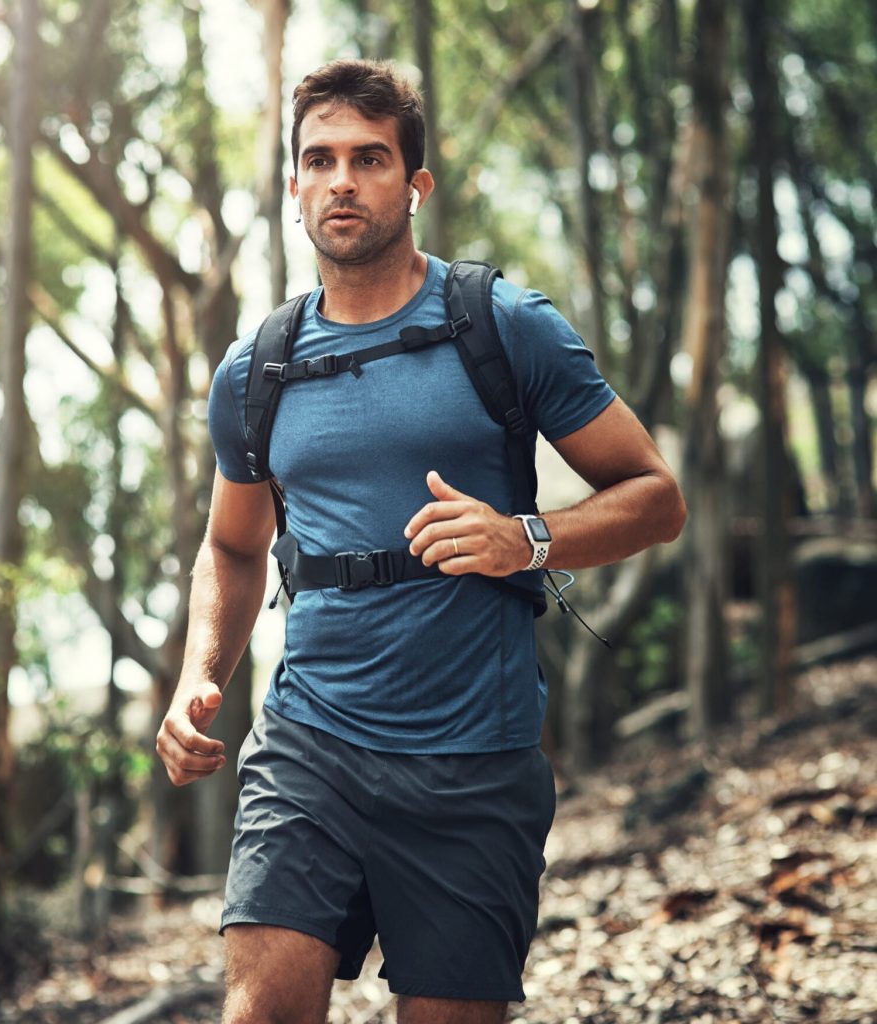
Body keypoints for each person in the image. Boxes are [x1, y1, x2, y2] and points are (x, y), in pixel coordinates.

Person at [156, 58, 686, 1024]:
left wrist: (526, 537)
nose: (342, 181)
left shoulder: (504, 325)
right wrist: (204, 671)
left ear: (416, 185)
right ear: (294, 187)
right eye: (319, 160)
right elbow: (233, 547)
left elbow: (656, 496)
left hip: (474, 762)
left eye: (369, 158)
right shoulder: (256, 371)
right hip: (310, 743)